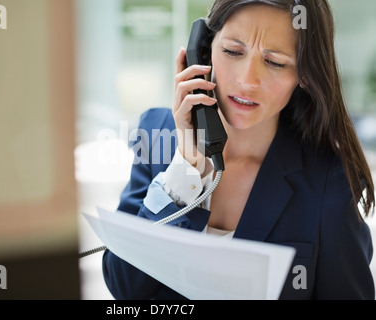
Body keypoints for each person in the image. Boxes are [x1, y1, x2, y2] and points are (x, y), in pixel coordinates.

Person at [102, 0, 375, 300]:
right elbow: (124, 287)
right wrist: (184, 171)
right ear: (203, 50)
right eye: (232, 52)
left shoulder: (328, 182)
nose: (247, 81)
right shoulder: (155, 133)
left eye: (275, 62)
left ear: (305, 75)